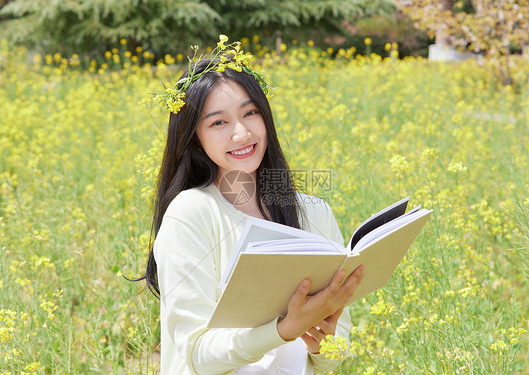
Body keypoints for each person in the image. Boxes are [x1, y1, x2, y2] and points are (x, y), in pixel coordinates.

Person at [139, 39, 365, 375]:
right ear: (194, 138)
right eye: (218, 123)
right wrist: (283, 330)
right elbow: (197, 354)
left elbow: (335, 351)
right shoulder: (191, 213)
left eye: (250, 113)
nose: (241, 133)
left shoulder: (314, 212)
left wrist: (326, 342)